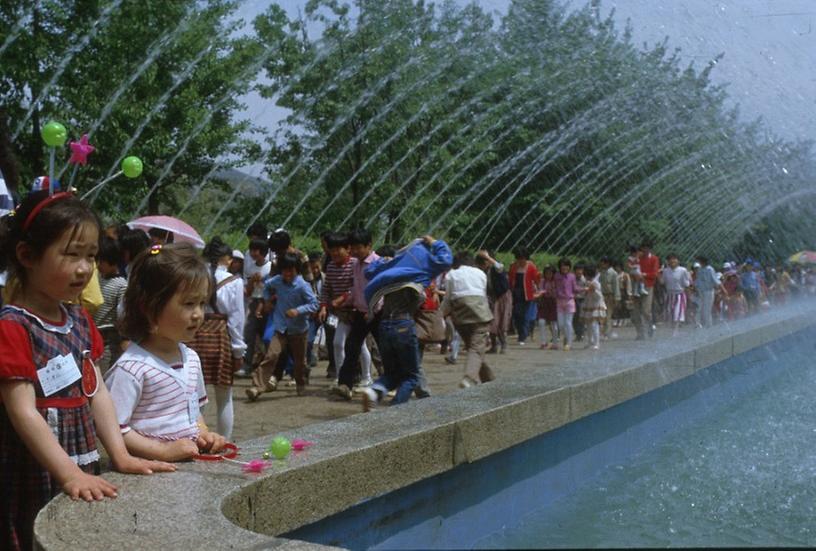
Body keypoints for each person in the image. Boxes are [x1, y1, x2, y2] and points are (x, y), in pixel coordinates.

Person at [0, 191, 172, 549]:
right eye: (71, 254)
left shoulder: (78, 320)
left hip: (82, 457)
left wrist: (119, 454)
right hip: (35, 466)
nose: (84, 268)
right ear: (27, 255)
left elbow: (98, 393)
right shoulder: (14, 326)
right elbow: (23, 411)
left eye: (91, 256)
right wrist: (67, 473)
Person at [105, 243, 227, 461]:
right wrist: (163, 451)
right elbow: (114, 429)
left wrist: (204, 435)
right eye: (189, 304)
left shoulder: (191, 359)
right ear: (149, 308)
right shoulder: (132, 369)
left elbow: (193, 413)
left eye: (202, 303)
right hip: (149, 479)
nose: (199, 314)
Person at [361, 236, 452, 410]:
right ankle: (395, 412)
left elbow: (369, 271)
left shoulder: (389, 273)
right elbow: (446, 259)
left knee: (392, 374)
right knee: (411, 377)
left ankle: (374, 391)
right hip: (403, 324)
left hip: (384, 326)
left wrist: (383, 261)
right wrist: (434, 242)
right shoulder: (419, 271)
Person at [188, 237, 246, 441]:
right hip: (220, 336)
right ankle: (224, 441)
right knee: (224, 397)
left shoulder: (196, 276)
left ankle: (197, 439)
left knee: (194, 397)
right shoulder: (234, 282)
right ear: (226, 259)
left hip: (194, 334)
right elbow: (237, 320)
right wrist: (239, 350)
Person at [245, 252, 318, 400]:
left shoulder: (303, 286)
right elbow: (265, 287)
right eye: (284, 270)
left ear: (296, 270)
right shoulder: (277, 281)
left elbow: (314, 304)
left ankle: (300, 382)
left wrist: (298, 311)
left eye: (290, 270)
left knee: (299, 362)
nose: (287, 274)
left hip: (298, 329)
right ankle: (257, 386)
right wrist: (267, 301)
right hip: (280, 328)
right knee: (271, 355)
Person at [318, 232, 370, 390]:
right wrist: (323, 306)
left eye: (337, 250)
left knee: (360, 346)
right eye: (331, 250)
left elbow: (356, 287)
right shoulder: (331, 266)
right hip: (340, 313)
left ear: (347, 249)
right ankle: (341, 378)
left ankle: (367, 377)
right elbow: (326, 289)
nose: (334, 253)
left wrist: (342, 298)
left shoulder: (355, 264)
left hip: (355, 310)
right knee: (337, 343)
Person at [332, 228, 378, 400]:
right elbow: (357, 289)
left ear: (369, 246)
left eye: (359, 247)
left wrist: (372, 310)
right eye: (354, 248)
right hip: (361, 312)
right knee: (352, 347)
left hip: (376, 313)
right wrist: (346, 300)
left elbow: (380, 289)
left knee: (386, 349)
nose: (356, 251)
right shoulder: (357, 265)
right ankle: (345, 384)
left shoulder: (376, 264)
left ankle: (396, 380)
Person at [441, 251, 496, 388]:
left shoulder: (451, 275)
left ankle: (490, 381)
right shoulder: (480, 273)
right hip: (480, 314)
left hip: (461, 317)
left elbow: (447, 300)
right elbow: (482, 295)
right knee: (476, 349)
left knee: (475, 349)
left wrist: (440, 315)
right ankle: (469, 378)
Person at [237, 239, 271, 377]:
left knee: (267, 336)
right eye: (251, 250)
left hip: (268, 303)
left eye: (255, 250)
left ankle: (267, 367)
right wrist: (252, 281)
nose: (253, 253)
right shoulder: (250, 268)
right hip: (254, 302)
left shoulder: (270, 267)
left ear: (262, 252)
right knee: (249, 334)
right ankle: (247, 365)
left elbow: (272, 288)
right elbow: (248, 290)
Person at [94, 236, 127, 370]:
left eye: (102, 261)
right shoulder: (97, 278)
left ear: (113, 262)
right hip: (92, 335)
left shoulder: (122, 285)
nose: (98, 264)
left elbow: (122, 315)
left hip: (107, 341)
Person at [476, 250, 511, 354]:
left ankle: (503, 344)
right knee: (491, 322)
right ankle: (494, 346)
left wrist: (488, 257)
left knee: (500, 321)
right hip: (491, 297)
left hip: (502, 297)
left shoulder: (496, 268)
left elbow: (500, 267)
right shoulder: (483, 272)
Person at [508, 248, 539, 345]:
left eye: (522, 259)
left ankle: (523, 336)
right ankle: (522, 332)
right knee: (516, 314)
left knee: (524, 315)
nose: (520, 261)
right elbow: (510, 279)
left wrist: (537, 291)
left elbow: (537, 279)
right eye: (518, 259)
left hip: (527, 293)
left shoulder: (531, 267)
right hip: (516, 292)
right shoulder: (513, 266)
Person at [632, 242, 660, 340]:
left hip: (648, 286)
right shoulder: (637, 259)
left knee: (645, 310)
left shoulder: (654, 259)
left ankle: (650, 325)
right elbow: (632, 270)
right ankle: (640, 333)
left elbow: (655, 274)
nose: (644, 250)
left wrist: (643, 275)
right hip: (636, 286)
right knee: (636, 311)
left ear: (650, 249)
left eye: (646, 248)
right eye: (643, 248)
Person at [554, 258, 583, 351]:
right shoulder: (556, 276)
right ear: (560, 267)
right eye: (562, 265)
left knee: (568, 323)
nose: (564, 267)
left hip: (570, 301)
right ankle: (566, 337)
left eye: (566, 265)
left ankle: (569, 343)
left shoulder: (572, 276)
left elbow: (575, 288)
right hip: (559, 302)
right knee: (561, 324)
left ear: (569, 267)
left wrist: (584, 289)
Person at [659, 254, 691, 337]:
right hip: (669, 294)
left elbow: (686, 283)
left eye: (674, 259)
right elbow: (662, 282)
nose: (672, 261)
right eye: (670, 259)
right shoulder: (666, 271)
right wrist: (658, 274)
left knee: (677, 313)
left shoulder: (682, 270)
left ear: (678, 261)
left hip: (679, 294)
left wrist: (689, 295)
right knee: (670, 313)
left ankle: (675, 330)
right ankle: (673, 329)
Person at [580, 266, 606, 350]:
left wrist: (593, 290)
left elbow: (599, 296)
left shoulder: (596, 283)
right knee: (588, 325)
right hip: (588, 305)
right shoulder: (588, 282)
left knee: (595, 325)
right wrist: (586, 290)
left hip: (596, 306)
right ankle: (589, 342)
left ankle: (596, 343)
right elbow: (584, 294)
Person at [535, 266, 559, 349]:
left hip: (554, 303)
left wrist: (548, 292)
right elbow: (540, 290)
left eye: (550, 273)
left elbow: (558, 291)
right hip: (544, 302)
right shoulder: (542, 281)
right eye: (546, 273)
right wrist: (539, 293)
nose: (548, 275)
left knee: (554, 324)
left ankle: (555, 342)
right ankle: (543, 342)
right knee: (541, 322)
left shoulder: (557, 282)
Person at [693, 256, 720, 328]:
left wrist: (719, 288)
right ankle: (698, 324)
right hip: (701, 291)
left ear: (703, 262)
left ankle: (708, 325)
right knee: (699, 308)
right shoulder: (700, 270)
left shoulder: (710, 269)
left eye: (700, 261)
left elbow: (715, 279)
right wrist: (695, 287)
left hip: (708, 291)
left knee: (707, 309)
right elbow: (698, 280)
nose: (699, 263)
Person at [598, 257, 619, 339]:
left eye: (603, 263)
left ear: (607, 263)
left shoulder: (613, 273)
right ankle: (604, 332)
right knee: (602, 315)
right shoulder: (601, 273)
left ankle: (607, 332)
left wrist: (616, 298)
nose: (601, 264)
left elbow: (616, 286)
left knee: (608, 315)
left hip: (610, 296)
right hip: (602, 296)